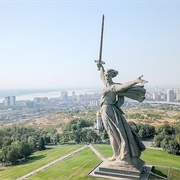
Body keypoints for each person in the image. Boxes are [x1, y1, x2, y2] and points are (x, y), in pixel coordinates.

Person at [98, 63, 148, 169]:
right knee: (113, 134)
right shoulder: (106, 84)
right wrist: (100, 67)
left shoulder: (113, 87)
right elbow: (102, 76)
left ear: (112, 76)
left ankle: (120, 155)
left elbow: (124, 86)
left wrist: (135, 81)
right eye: (106, 76)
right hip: (105, 111)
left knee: (116, 134)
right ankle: (116, 154)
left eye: (109, 76)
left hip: (109, 110)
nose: (106, 77)